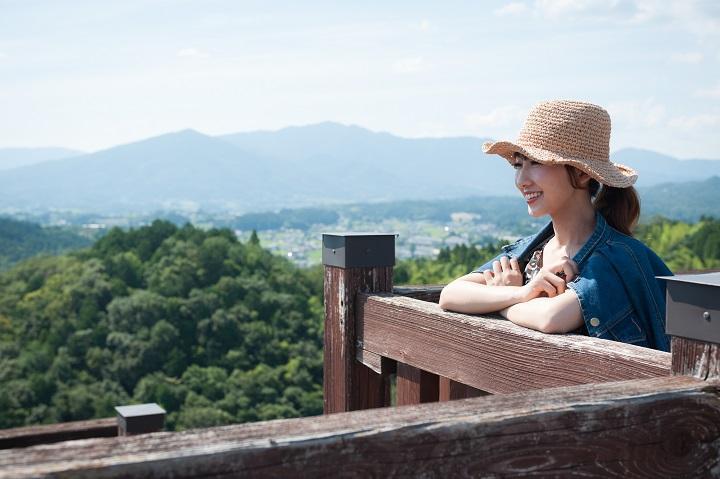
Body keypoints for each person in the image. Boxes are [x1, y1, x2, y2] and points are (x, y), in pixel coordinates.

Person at [438, 100, 672, 351]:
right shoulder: (529, 251)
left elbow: (550, 318)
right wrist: (523, 293)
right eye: (518, 165)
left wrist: (499, 299)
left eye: (536, 162)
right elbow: (451, 295)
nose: (521, 180)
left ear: (582, 174)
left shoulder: (614, 258)